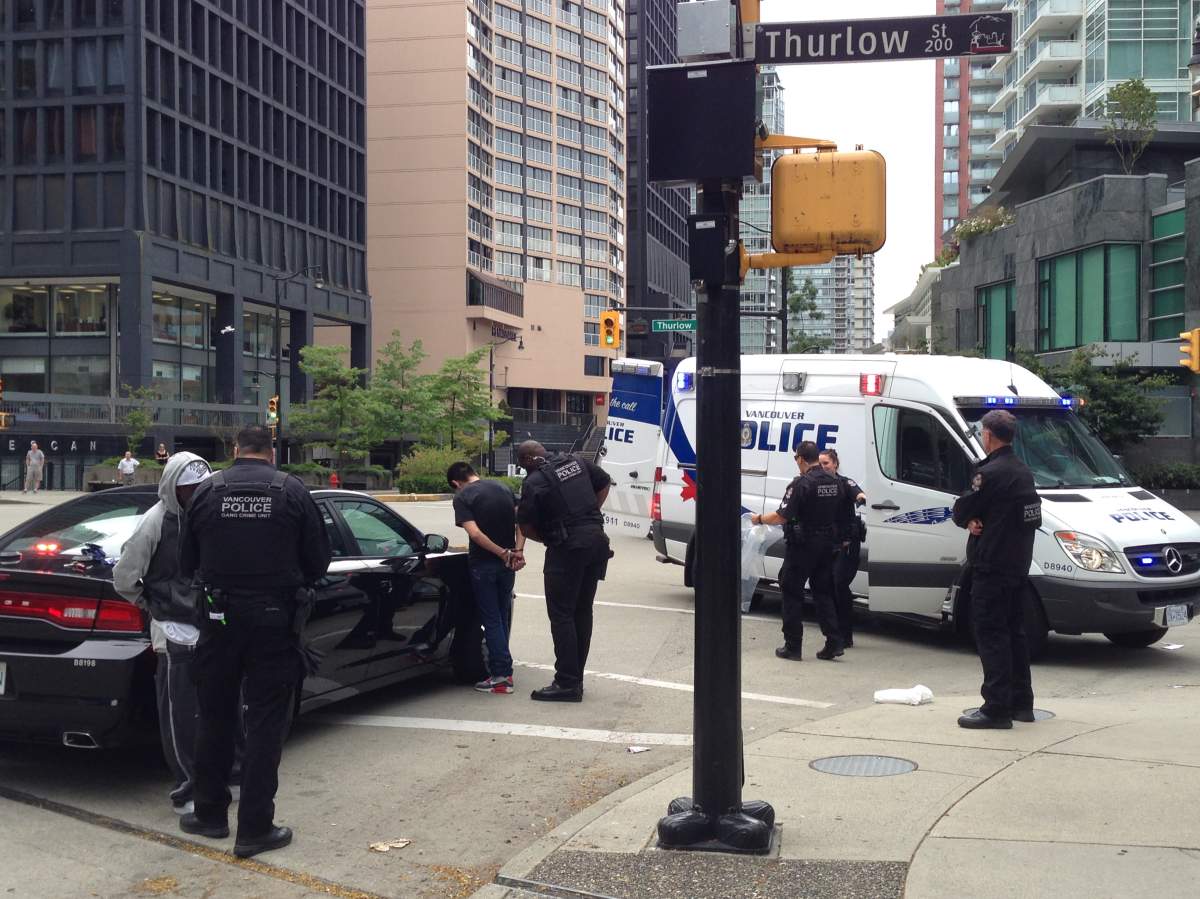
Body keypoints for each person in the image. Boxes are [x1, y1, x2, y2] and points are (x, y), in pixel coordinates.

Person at [179, 425, 331, 857]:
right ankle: (255, 828)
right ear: (272, 451)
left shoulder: (208, 492)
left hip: (218, 619)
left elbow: (187, 562)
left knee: (214, 716)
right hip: (274, 622)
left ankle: (209, 814)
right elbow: (319, 561)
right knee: (265, 723)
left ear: (235, 449)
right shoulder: (292, 491)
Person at [113, 453, 214, 815]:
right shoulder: (154, 522)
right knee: (179, 714)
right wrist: (151, 603)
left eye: (202, 487)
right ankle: (186, 788)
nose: (196, 494)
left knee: (216, 708)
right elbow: (124, 576)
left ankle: (221, 776)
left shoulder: (208, 517)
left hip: (209, 625)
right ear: (173, 488)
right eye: (189, 489)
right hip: (173, 629)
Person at [952, 409, 1042, 730]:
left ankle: (996, 708)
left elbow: (962, 508)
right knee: (1015, 633)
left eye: (982, 432)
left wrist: (970, 519)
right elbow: (1028, 517)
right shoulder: (1023, 472)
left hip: (991, 566)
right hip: (1017, 566)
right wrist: (980, 519)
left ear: (988, 435)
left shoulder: (990, 473)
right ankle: (1022, 703)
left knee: (991, 635)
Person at [516, 439, 611, 702]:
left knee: (561, 615)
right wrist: (591, 515)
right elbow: (605, 482)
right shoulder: (577, 461)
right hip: (596, 542)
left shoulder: (534, 481)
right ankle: (576, 678)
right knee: (582, 610)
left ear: (527, 460)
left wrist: (551, 537)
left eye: (523, 464)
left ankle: (567, 683)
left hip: (567, 549)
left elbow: (525, 526)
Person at [751, 441, 845, 661]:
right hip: (827, 545)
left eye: (796, 458)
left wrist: (759, 519)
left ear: (801, 459)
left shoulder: (802, 484)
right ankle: (834, 642)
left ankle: (793, 646)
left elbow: (782, 516)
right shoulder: (835, 482)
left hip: (803, 545)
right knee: (823, 592)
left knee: (791, 590)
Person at [447, 461, 526, 695]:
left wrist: (501, 553)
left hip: (483, 564)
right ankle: (503, 669)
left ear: (456, 483)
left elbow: (474, 533)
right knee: (501, 616)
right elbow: (522, 521)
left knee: (491, 620)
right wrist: (517, 551)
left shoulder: (463, 497)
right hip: (508, 565)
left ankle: (501, 676)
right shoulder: (503, 487)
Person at [819, 449, 866, 649]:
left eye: (826, 463)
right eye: (820, 463)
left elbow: (858, 493)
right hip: (827, 543)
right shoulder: (818, 484)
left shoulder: (844, 483)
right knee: (827, 586)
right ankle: (835, 633)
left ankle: (845, 635)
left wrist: (861, 498)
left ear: (835, 464)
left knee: (839, 584)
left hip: (846, 544)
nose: (823, 467)